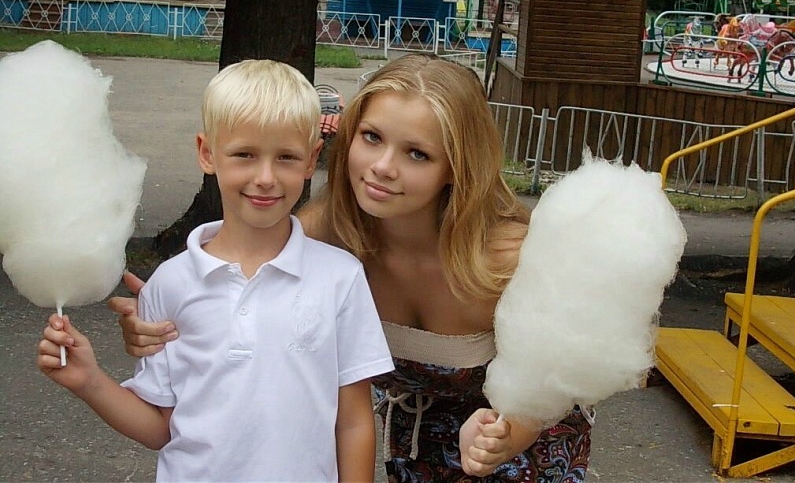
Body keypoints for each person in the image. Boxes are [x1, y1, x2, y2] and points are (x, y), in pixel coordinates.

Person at [109, 54, 593, 481]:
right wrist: (160, 327)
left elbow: (567, 370)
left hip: (522, 451)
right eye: (372, 137)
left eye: (417, 153)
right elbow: (251, 317)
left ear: (456, 167)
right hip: (414, 448)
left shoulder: (511, 256)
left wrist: (511, 429)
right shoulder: (319, 236)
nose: (383, 166)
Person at [38, 60, 394, 482]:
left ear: (311, 159)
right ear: (207, 153)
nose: (266, 177)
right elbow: (159, 428)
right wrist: (89, 381)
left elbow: (353, 423)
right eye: (244, 154)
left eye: (286, 157)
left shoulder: (340, 278)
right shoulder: (169, 285)